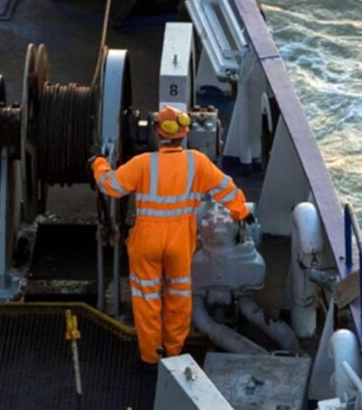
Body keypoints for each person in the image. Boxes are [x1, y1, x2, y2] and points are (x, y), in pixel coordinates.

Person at [90, 105, 253, 365]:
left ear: (157, 132)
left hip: (146, 241)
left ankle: (151, 356)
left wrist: (98, 161)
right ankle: (174, 354)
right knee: (178, 297)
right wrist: (242, 212)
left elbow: (110, 186)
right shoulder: (196, 162)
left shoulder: (142, 164)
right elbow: (225, 188)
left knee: (147, 299)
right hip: (179, 242)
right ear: (184, 134)